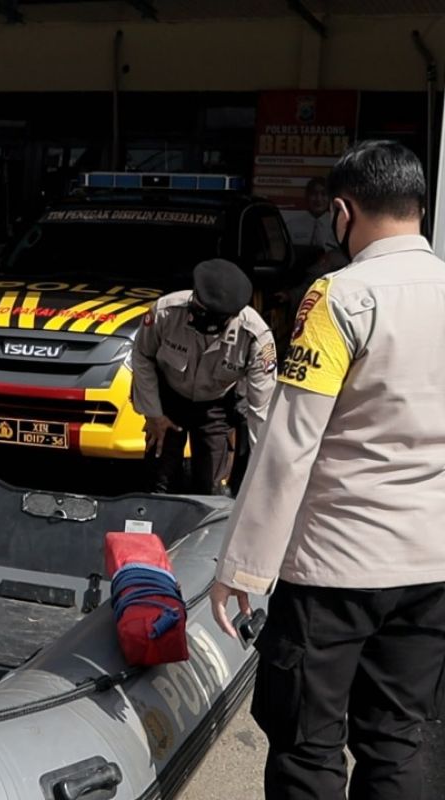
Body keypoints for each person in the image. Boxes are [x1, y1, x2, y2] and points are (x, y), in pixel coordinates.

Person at [212, 140, 445, 800]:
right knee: (398, 736)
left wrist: (241, 569)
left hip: (335, 571)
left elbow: (290, 444)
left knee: (306, 743)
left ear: (343, 211)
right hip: (432, 569)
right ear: (418, 208)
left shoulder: (341, 296)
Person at [130, 259, 277, 495]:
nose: (197, 316)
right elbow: (142, 355)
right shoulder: (166, 311)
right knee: (160, 482)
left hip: (215, 405)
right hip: (169, 400)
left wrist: (263, 470)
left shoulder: (256, 338)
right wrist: (153, 414)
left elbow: (261, 409)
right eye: (197, 308)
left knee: (211, 489)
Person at [282, 177, 336, 252]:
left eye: (324, 194)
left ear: (330, 198)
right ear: (307, 197)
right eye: (314, 194)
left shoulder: (337, 226)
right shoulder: (292, 225)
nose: (318, 199)